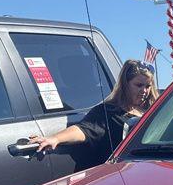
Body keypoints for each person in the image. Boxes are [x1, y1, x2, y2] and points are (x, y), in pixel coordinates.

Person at [29, 60, 158, 170]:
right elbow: (84, 129)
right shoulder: (107, 112)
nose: (144, 91)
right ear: (125, 85)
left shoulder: (155, 112)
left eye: (148, 86)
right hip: (116, 177)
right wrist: (55, 138)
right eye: (139, 85)